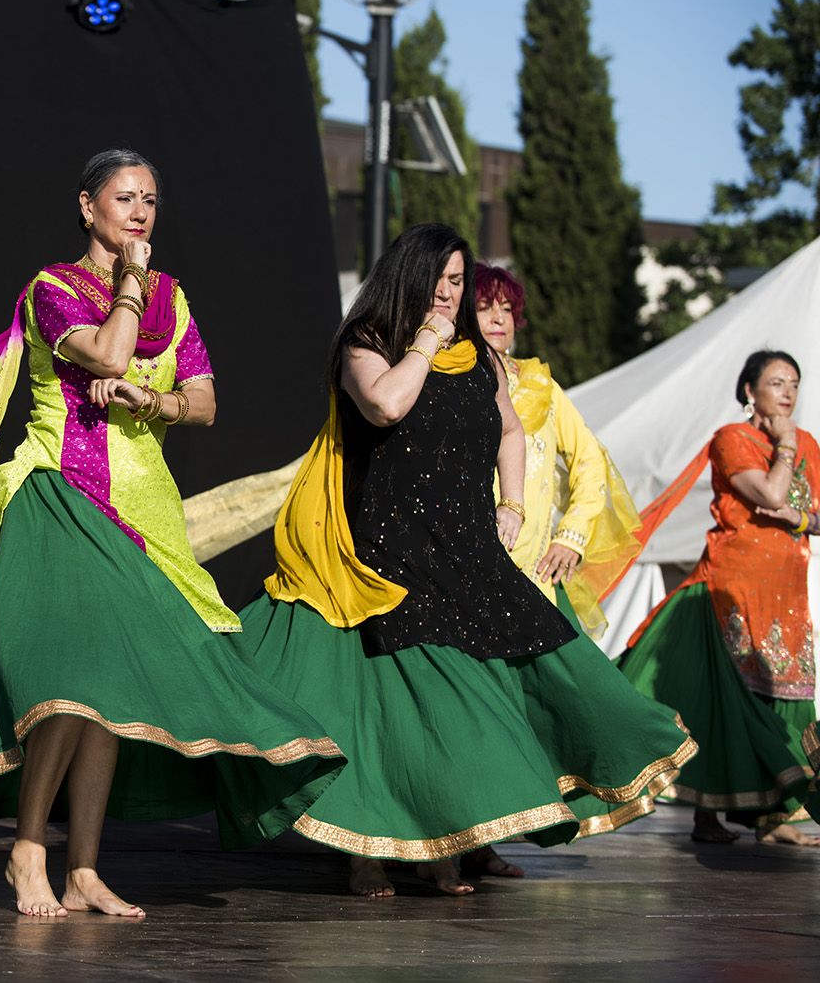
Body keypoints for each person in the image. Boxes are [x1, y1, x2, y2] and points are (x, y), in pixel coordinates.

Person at [0, 149, 346, 918]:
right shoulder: (52, 288)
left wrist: (155, 405)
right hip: (60, 493)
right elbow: (111, 351)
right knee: (72, 681)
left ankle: (83, 868)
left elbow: (206, 400)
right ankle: (26, 851)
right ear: (88, 207)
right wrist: (129, 288)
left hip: (143, 510)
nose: (141, 211)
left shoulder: (173, 297)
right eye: (125, 197)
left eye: (151, 197)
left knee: (108, 691)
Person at [229, 223, 696, 898]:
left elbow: (510, 429)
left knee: (541, 661)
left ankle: (450, 838)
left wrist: (512, 504)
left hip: (469, 546)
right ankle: (375, 850)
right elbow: (386, 405)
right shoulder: (368, 347)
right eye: (440, 282)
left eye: (458, 283)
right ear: (407, 280)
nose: (450, 295)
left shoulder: (478, 360)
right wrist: (423, 343)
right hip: (393, 547)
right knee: (406, 703)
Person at [617, 350, 818, 846]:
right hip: (732, 589)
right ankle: (706, 813)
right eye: (776, 382)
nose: (788, 392)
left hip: (786, 593)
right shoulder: (734, 440)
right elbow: (770, 493)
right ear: (749, 391)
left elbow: (808, 514)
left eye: (793, 382)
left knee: (782, 698)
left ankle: (774, 817)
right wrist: (785, 448)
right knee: (722, 702)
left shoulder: (811, 444)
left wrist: (796, 517)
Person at [476, 263, 642, 640]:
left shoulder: (541, 386)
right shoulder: (445, 381)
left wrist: (571, 537)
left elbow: (589, 459)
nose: (499, 318)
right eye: (485, 307)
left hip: (534, 570)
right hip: (464, 562)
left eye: (507, 308)